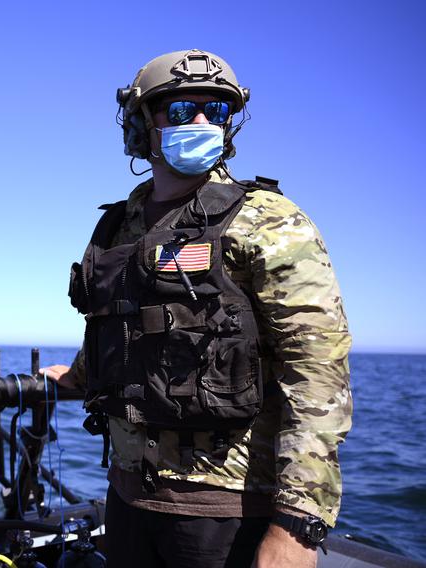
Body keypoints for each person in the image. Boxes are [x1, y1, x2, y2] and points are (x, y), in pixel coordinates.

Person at [41, 49, 352, 568]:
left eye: (218, 111)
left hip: (223, 511)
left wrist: (297, 524)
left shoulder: (270, 221)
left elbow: (317, 370)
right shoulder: (122, 224)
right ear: (143, 124)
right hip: (127, 495)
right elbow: (120, 322)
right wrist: (79, 374)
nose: (203, 123)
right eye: (182, 111)